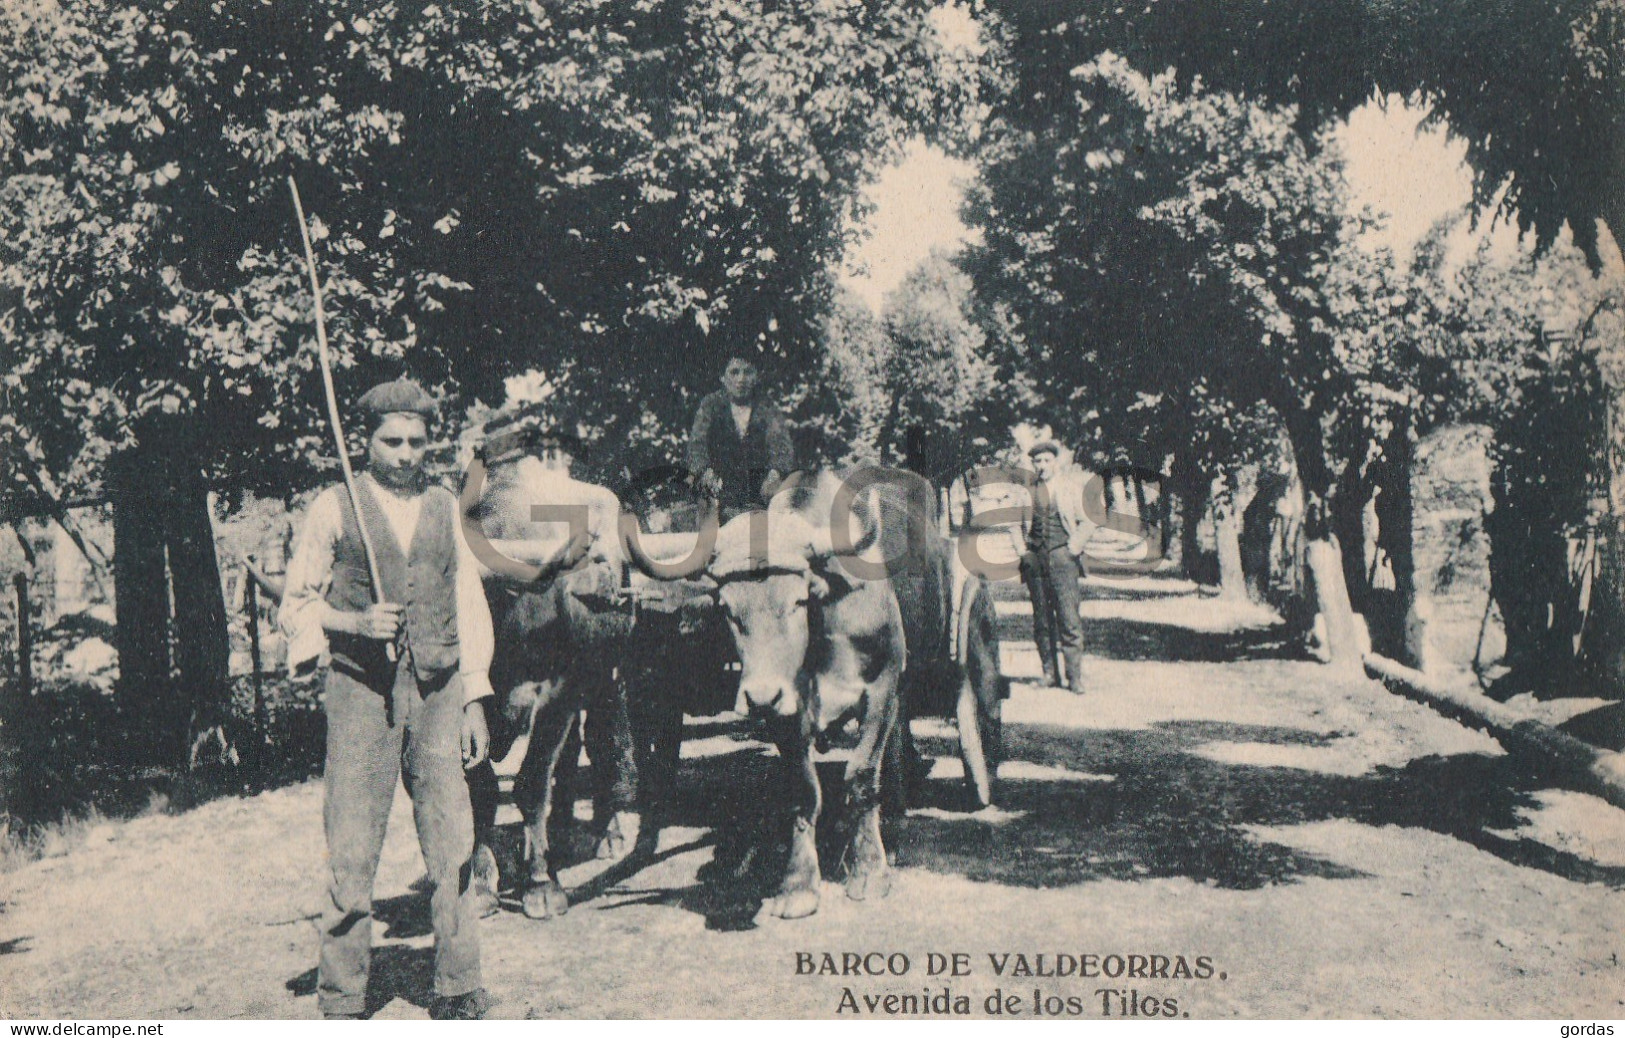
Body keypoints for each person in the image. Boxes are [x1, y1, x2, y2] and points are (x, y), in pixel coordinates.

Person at [279, 378, 492, 1021]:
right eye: (391, 441)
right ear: (366, 442)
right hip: (360, 695)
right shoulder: (333, 507)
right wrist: (352, 623)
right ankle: (343, 993)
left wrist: (476, 698)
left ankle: (457, 984)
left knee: (453, 842)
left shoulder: (446, 506)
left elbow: (470, 607)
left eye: (417, 442)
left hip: (437, 690)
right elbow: (296, 607)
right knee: (350, 848)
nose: (404, 454)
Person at [463, 424, 640, 916]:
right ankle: (481, 857)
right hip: (491, 633)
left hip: (556, 645)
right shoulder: (466, 525)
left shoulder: (593, 502)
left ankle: (543, 853)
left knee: (592, 707)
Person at [1017, 441, 1091, 694]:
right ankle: (1049, 673)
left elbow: (1087, 521)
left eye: (1047, 461)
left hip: (1063, 558)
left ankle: (1075, 678)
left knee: (1069, 619)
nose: (1042, 466)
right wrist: (1022, 553)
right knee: (1042, 620)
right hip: (1036, 561)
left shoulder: (1070, 488)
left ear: (1055, 462)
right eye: (1038, 462)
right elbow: (1014, 526)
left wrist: (1073, 548)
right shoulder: (1027, 492)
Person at [686, 354, 795, 520]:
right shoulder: (710, 405)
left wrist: (775, 473)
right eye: (734, 372)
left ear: (756, 376)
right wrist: (704, 471)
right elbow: (696, 445)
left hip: (759, 495)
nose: (741, 379)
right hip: (719, 496)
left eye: (748, 372)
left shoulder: (766, 407)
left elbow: (781, 446)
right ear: (722, 377)